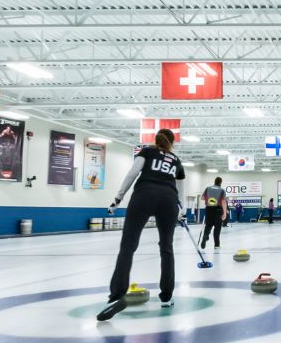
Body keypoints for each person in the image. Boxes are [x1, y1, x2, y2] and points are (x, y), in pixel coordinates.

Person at [98, 128, 184, 321]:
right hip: (169, 200)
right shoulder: (177, 161)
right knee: (166, 248)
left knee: (128, 246)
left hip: (143, 196)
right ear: (172, 143)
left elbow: (132, 174)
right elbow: (181, 190)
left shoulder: (147, 151)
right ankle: (166, 296)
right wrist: (183, 210)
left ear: (156, 139)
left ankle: (117, 296)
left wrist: (118, 198)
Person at [199, 176, 228, 250]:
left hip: (208, 209)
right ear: (220, 182)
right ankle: (217, 245)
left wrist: (210, 200)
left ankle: (205, 236)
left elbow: (202, 198)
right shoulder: (222, 190)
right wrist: (224, 213)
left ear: (214, 181)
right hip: (217, 210)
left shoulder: (208, 188)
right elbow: (223, 201)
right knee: (217, 228)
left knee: (208, 226)